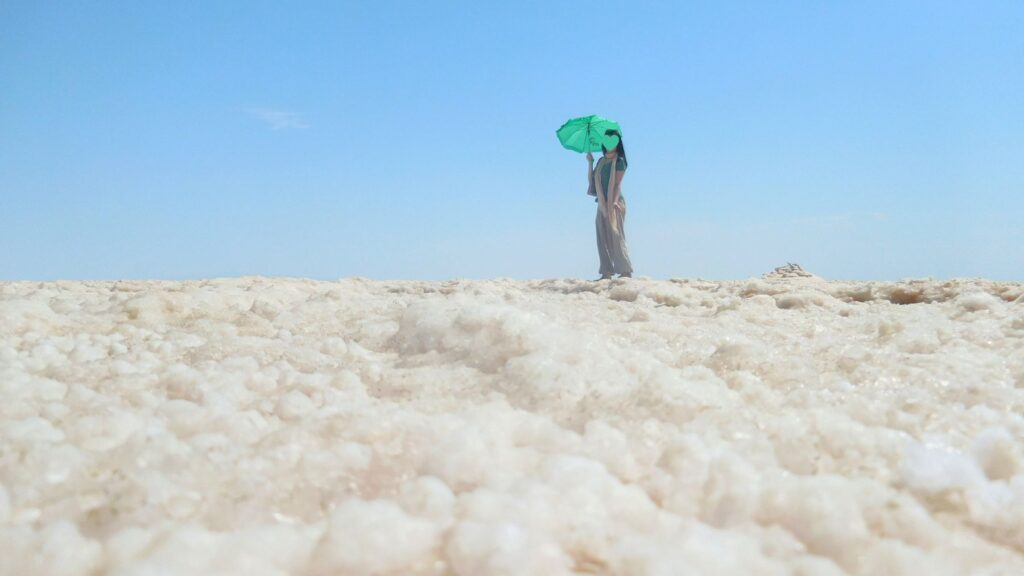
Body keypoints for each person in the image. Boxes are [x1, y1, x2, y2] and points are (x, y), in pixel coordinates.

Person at [587, 130, 633, 279]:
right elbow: (592, 181)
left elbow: (618, 184)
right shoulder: (601, 162)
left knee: (616, 235)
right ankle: (606, 272)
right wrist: (590, 162)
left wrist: (614, 201)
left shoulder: (619, 161)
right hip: (602, 203)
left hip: (616, 202)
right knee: (602, 236)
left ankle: (625, 271)